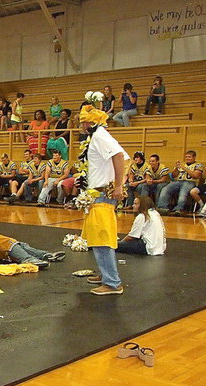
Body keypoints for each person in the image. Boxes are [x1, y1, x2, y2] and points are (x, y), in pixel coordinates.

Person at [77, 102, 129, 295]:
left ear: (89, 123)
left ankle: (112, 282)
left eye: (83, 122)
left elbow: (119, 156)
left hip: (101, 194)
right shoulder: (97, 137)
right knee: (96, 235)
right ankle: (106, 273)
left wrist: (118, 185)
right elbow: (124, 157)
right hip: (96, 193)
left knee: (102, 238)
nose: (81, 125)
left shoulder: (100, 135)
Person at [157, 150, 203, 215]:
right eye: (186, 157)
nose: (187, 158)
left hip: (190, 182)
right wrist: (176, 168)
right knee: (165, 189)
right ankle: (162, 207)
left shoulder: (198, 165)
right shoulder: (182, 164)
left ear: (194, 157)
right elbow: (173, 176)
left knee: (183, 192)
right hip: (178, 181)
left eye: (189, 157)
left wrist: (184, 168)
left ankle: (179, 208)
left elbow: (196, 176)